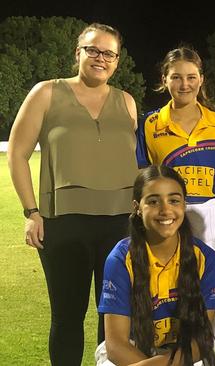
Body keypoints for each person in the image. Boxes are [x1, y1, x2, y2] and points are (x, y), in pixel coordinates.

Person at [7, 23, 138, 365]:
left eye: (109, 53)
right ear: (77, 52)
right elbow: (17, 153)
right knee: (67, 318)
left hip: (120, 225)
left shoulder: (127, 102)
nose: (100, 58)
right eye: (93, 50)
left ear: (117, 61)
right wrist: (31, 212)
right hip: (63, 224)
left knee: (114, 319)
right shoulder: (46, 92)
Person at [96, 165, 215, 366]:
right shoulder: (120, 259)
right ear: (137, 207)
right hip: (131, 351)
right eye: (153, 201)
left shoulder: (206, 258)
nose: (165, 210)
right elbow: (116, 345)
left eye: (174, 200)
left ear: (184, 205)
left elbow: (201, 340)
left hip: (183, 354)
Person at [136, 47, 215, 255]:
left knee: (211, 283)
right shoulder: (149, 123)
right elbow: (141, 176)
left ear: (201, 79)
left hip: (211, 216)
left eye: (191, 77)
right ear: (164, 80)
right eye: (176, 77)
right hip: (167, 214)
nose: (184, 85)